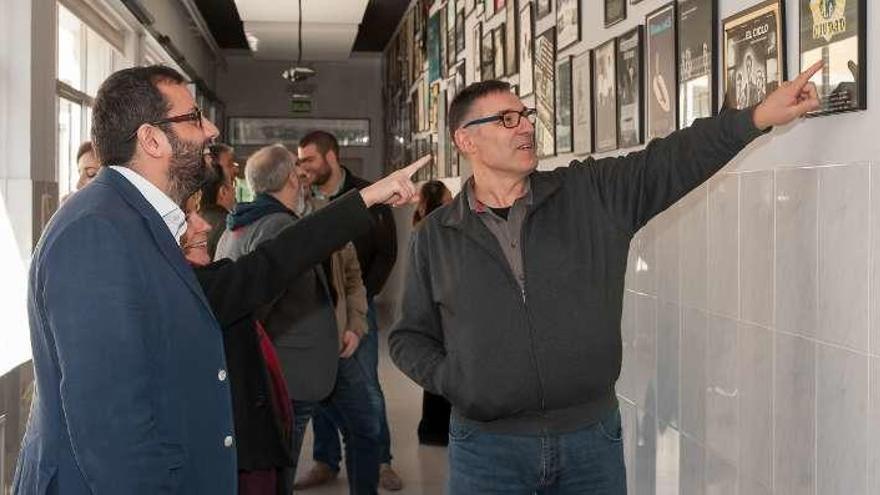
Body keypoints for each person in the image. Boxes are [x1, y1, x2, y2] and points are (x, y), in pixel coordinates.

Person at [389, 61, 823, 494]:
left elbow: (670, 160)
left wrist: (757, 118)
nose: (524, 128)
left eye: (526, 115)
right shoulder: (435, 236)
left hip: (589, 443)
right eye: (507, 119)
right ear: (466, 140)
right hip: (487, 450)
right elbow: (408, 337)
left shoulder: (590, 193)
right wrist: (459, 382)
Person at [15, 65, 234, 494]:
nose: (209, 129)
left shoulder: (131, 216)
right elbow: (112, 429)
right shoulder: (96, 230)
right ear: (151, 139)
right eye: (192, 118)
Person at [178, 153, 424, 493]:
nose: (204, 223)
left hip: (324, 357)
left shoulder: (257, 221)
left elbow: (343, 271)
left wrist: (354, 323)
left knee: (361, 427)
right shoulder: (270, 227)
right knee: (285, 458)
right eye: (187, 217)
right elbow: (283, 259)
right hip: (294, 369)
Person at [296, 131, 402, 491]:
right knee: (321, 386)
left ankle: (382, 461)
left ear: (331, 157)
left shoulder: (368, 194)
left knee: (366, 386)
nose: (303, 167)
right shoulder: (302, 198)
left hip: (358, 308)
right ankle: (325, 461)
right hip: (314, 315)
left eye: (308, 159)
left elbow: (387, 253)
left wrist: (361, 304)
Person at [412, 181, 453, 446]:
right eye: (450, 197)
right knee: (443, 368)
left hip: (437, 304)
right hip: (441, 305)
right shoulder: (435, 229)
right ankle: (435, 429)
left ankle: (432, 428)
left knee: (439, 367)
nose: (454, 199)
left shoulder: (422, 227)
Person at [199, 159, 236, 258]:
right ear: (223, 191)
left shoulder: (190, 223)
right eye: (232, 184)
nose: (234, 190)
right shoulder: (229, 226)